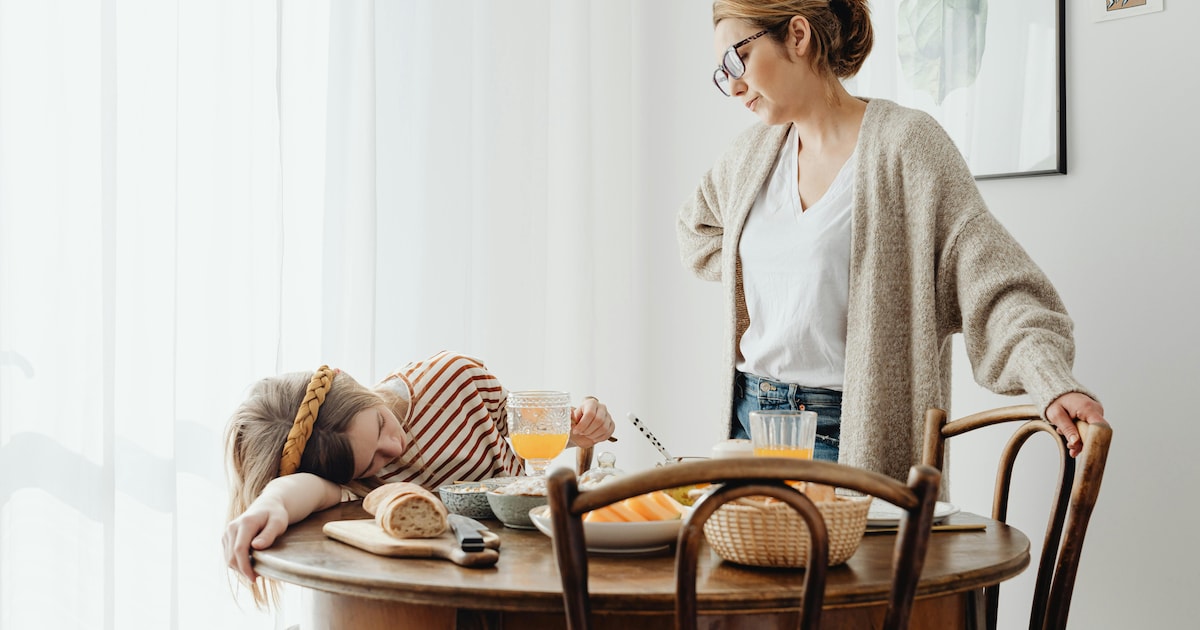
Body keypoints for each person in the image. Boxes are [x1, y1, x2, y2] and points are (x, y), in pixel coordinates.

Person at [677, 0, 1109, 480]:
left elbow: (996, 285)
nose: (733, 87)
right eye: (722, 73)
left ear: (797, 36)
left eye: (736, 62)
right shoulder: (749, 156)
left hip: (848, 433)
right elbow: (698, 231)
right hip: (747, 424)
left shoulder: (907, 146)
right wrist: (773, 276)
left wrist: (1051, 380)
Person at [222, 350, 614, 605]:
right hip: (450, 596)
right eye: (370, 463)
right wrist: (271, 502)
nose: (392, 450)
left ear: (355, 384)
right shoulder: (352, 481)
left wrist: (577, 429)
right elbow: (305, 489)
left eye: (379, 426)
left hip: (539, 570)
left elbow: (525, 431)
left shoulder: (455, 380)